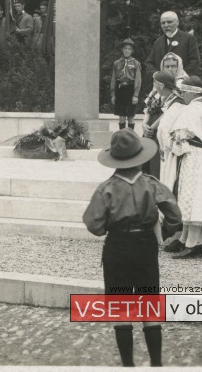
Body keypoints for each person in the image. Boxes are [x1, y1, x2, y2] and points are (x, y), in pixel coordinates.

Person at [83, 129, 182, 367]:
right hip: (145, 246)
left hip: (117, 246)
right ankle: (156, 363)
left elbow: (93, 224)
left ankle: (128, 365)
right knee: (149, 303)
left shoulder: (105, 188)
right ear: (140, 156)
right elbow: (175, 215)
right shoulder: (152, 184)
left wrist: (110, 226)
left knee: (120, 307)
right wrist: (166, 230)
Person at [168, 76, 202, 258]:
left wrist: (175, 140)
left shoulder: (192, 110)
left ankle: (193, 243)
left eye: (184, 92)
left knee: (193, 196)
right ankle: (190, 240)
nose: (182, 95)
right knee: (195, 196)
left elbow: (181, 134)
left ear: (192, 92)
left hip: (195, 156)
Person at [149, 72, 187, 251]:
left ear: (161, 85)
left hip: (172, 153)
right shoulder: (170, 101)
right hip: (167, 153)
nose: (154, 86)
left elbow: (166, 129)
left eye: (155, 83)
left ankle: (172, 229)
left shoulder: (176, 103)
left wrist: (165, 148)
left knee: (171, 185)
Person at [145, 11, 201, 76]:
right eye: (163, 23)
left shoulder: (188, 39)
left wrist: (181, 76)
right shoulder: (158, 42)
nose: (166, 25)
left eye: (169, 22)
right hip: (162, 83)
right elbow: (149, 63)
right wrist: (156, 74)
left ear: (177, 22)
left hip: (183, 82)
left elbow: (194, 61)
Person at [110, 38, 142, 131]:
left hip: (130, 89)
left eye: (129, 49)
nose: (127, 51)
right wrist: (113, 94)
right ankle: (122, 135)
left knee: (131, 115)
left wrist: (135, 95)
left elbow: (138, 79)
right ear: (122, 49)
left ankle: (130, 136)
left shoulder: (136, 63)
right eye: (125, 48)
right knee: (121, 115)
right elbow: (113, 79)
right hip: (120, 89)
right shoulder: (116, 63)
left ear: (132, 51)